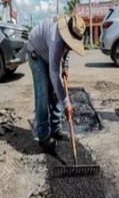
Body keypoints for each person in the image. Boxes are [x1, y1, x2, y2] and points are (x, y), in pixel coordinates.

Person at [27, 13, 86, 153]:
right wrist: (66, 102)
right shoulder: (56, 38)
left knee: (55, 92)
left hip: (48, 53)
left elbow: (68, 50)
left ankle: (56, 128)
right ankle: (43, 136)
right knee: (43, 93)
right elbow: (54, 73)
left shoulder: (71, 30)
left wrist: (65, 66)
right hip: (36, 51)